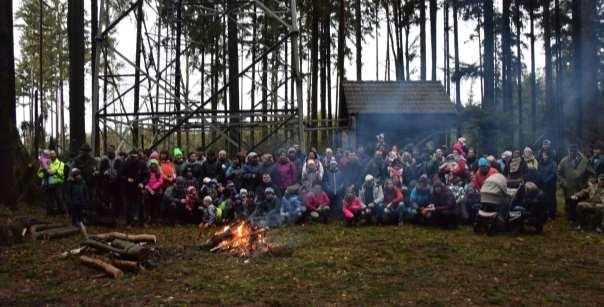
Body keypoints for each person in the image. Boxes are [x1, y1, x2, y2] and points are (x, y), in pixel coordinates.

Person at [558, 145, 590, 222]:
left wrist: (588, 182)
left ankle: (580, 219)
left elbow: (590, 173)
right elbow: (558, 173)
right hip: (568, 187)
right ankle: (570, 218)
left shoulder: (584, 161)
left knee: (579, 204)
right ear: (568, 151)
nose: (572, 153)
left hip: (580, 188)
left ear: (577, 151)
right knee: (569, 204)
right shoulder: (564, 161)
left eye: (574, 151)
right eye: (570, 151)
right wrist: (563, 182)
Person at [119, 150, 148, 226]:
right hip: (128, 188)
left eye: (135, 157)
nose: (134, 158)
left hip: (138, 187)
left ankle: (142, 222)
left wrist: (143, 183)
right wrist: (127, 179)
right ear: (129, 156)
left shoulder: (142, 164)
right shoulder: (125, 164)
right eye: (132, 157)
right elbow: (120, 175)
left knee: (141, 205)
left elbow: (147, 175)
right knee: (128, 206)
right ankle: (129, 223)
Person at [37, 150, 66, 216]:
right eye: (51, 155)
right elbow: (39, 174)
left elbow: (62, 173)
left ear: (56, 155)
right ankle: (50, 213)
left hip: (58, 183)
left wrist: (54, 172)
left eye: (53, 154)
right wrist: (44, 173)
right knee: (49, 198)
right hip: (48, 183)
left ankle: (62, 212)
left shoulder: (61, 163)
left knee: (59, 198)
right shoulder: (45, 162)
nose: (52, 156)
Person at [99, 145, 123, 222]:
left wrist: (117, 173)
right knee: (106, 198)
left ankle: (117, 214)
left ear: (114, 150)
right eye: (109, 150)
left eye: (111, 150)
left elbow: (121, 170)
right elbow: (101, 170)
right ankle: (106, 214)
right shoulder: (104, 160)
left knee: (117, 199)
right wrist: (104, 172)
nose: (110, 151)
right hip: (107, 182)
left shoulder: (118, 160)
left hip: (116, 183)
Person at [144, 159, 165, 225]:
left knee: (156, 206)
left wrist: (153, 188)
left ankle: (155, 219)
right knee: (148, 206)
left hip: (157, 191)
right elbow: (145, 182)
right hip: (148, 191)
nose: (153, 166)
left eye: (154, 165)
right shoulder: (148, 173)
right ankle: (148, 219)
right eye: (152, 165)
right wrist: (149, 189)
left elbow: (160, 182)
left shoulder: (159, 173)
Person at [538, 151, 558, 219]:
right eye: (543, 155)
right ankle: (544, 214)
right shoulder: (541, 163)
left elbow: (553, 174)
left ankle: (552, 214)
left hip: (550, 185)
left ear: (549, 156)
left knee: (551, 200)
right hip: (542, 185)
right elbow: (539, 172)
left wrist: (546, 180)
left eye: (546, 155)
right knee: (543, 199)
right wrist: (540, 180)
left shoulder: (553, 163)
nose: (544, 157)